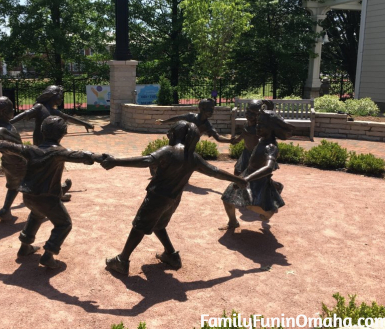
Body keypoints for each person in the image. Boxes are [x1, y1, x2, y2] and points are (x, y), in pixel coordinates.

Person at [100, 121, 248, 275]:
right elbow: (214, 171)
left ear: (177, 134)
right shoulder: (194, 157)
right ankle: (171, 255)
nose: (168, 134)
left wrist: (115, 161)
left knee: (139, 226)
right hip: (173, 200)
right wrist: (237, 180)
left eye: (171, 131)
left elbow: (146, 161)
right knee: (158, 225)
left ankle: (122, 260)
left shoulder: (168, 151)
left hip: (157, 198)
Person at [0, 116, 105, 268]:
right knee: (64, 224)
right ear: (64, 132)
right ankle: (48, 255)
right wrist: (98, 157)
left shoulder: (30, 150)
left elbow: (10, 146)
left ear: (42, 131)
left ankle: (24, 247)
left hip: (28, 196)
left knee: (36, 215)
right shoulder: (58, 152)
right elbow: (78, 155)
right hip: (48, 198)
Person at [10, 85, 95, 202]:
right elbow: (24, 114)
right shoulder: (40, 107)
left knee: (53, 166)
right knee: (48, 167)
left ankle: (56, 190)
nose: (61, 99)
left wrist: (85, 124)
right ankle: (52, 192)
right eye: (60, 96)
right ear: (52, 96)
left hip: (52, 143)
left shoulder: (54, 111)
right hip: (41, 143)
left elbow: (68, 118)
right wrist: (9, 123)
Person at [220, 110, 295, 232]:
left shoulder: (271, 147)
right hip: (247, 174)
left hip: (258, 180)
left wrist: (247, 179)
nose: (258, 127)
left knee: (251, 205)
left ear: (271, 128)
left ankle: (269, 211)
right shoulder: (261, 140)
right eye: (258, 124)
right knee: (227, 198)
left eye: (262, 125)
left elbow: (269, 167)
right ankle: (233, 222)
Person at [0, 96, 27, 221]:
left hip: (9, 163)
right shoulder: (0, 129)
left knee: (13, 186)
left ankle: (5, 210)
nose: (14, 110)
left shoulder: (7, 124)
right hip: (18, 163)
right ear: (4, 112)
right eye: (11, 109)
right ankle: (47, 205)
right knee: (38, 180)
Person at [155, 98, 235, 143]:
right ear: (202, 108)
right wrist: (163, 122)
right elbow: (177, 118)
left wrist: (230, 140)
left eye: (213, 108)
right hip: (177, 141)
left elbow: (218, 138)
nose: (212, 111)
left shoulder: (207, 125)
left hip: (189, 146)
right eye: (210, 108)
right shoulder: (191, 116)